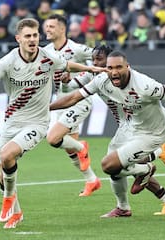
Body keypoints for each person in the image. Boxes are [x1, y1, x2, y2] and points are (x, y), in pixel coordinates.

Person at [0, 18, 105, 229]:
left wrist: (93, 70)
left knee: (7, 155)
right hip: (12, 121)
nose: (32, 40)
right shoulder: (8, 61)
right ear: (18, 39)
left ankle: (7, 201)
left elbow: (67, 64)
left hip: (38, 122)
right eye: (28, 36)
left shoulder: (48, 56)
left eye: (35, 35)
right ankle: (17, 212)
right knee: (3, 173)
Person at [50, 50, 165, 217]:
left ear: (128, 67)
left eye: (118, 67)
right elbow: (73, 97)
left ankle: (148, 166)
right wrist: (46, 108)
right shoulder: (101, 79)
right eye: (110, 68)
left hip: (152, 132)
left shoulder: (144, 85)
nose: (114, 71)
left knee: (109, 165)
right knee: (114, 169)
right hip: (129, 126)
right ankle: (129, 206)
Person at [70, 44, 165, 217]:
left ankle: (154, 156)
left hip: (143, 126)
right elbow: (71, 86)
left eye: (100, 60)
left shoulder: (130, 79)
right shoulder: (98, 77)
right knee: (118, 168)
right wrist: (62, 76)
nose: (95, 64)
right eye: (94, 60)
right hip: (126, 126)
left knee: (115, 165)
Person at [43, 14, 101, 197]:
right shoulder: (45, 51)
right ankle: (92, 180)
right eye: (46, 26)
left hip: (79, 100)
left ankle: (82, 147)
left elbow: (98, 65)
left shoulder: (77, 49)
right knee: (69, 147)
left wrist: (74, 81)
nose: (47, 29)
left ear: (62, 29)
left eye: (51, 26)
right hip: (62, 101)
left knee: (54, 138)